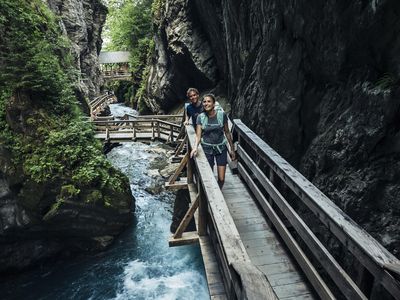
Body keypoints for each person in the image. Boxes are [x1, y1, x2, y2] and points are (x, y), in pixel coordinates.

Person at [190, 94, 235, 189]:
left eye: (209, 101)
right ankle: (213, 196)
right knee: (209, 177)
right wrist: (195, 148)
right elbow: (198, 136)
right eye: (204, 102)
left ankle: (218, 192)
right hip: (207, 149)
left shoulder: (221, 115)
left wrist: (232, 149)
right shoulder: (200, 117)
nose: (206, 103)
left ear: (214, 104)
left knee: (221, 179)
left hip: (221, 148)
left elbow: (227, 132)